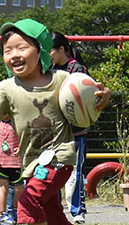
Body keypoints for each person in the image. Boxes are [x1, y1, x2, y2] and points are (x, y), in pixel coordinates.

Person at [0, 19, 110, 225]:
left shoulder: (62, 79)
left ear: (41, 50)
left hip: (59, 158)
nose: (14, 55)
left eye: (22, 48)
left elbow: (91, 96)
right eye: (7, 51)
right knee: (52, 215)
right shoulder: (5, 88)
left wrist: (103, 96)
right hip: (31, 164)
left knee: (27, 203)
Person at [50, 32, 90, 224]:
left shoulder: (77, 69)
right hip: (55, 131)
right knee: (53, 170)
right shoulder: (50, 70)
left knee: (75, 171)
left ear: (62, 49)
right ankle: (55, 210)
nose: (48, 55)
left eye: (50, 50)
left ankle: (77, 211)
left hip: (76, 130)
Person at [0, 117, 24, 224]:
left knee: (19, 189)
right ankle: (2, 214)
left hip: (16, 162)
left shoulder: (18, 120)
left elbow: (25, 138)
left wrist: (20, 148)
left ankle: (16, 211)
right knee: (3, 189)